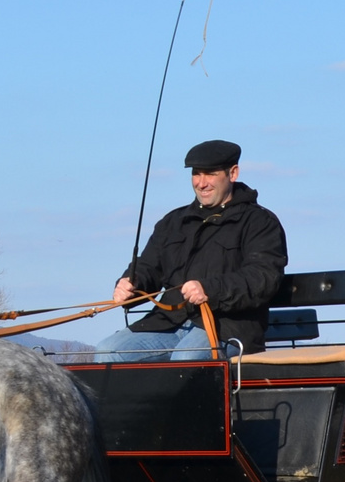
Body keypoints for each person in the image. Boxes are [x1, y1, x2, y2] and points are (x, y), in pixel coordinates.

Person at [97, 140, 288, 361]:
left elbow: (262, 278)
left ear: (232, 173)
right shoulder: (173, 222)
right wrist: (131, 283)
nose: (201, 183)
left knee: (185, 358)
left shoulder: (260, 222)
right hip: (166, 322)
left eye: (210, 174)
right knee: (107, 352)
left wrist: (209, 289)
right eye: (196, 174)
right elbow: (150, 267)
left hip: (227, 328)